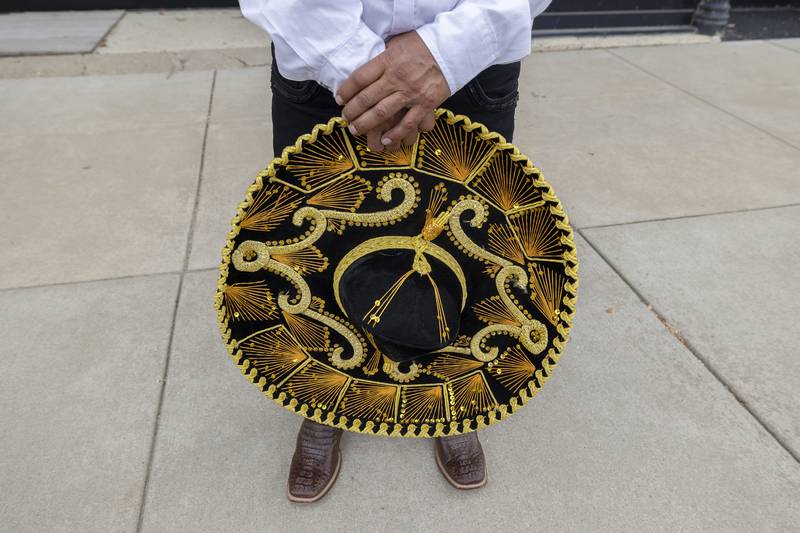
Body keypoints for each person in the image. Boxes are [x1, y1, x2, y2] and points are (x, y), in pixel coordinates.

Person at [239, 0, 553, 502]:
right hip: (321, 61)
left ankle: (444, 383)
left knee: (464, 247)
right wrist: (366, 70)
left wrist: (448, 51)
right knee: (319, 245)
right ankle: (324, 391)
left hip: (468, 66)